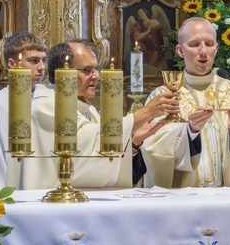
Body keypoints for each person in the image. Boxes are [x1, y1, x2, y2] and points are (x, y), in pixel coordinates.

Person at [16, 39, 177, 189]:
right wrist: (144, 113)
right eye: (87, 70)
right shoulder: (45, 105)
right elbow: (80, 149)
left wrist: (134, 142)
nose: (97, 76)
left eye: (96, 69)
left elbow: (100, 150)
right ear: (63, 72)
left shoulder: (87, 109)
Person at [142, 17, 230, 188]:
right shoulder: (163, 96)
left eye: (209, 44)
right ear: (180, 50)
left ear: (216, 48)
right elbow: (152, 149)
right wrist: (190, 132)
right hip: (183, 200)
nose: (203, 51)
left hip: (228, 198)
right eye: (195, 45)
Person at [0, 32, 47, 188]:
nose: (41, 67)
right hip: (12, 191)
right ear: (12, 64)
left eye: (43, 60)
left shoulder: (51, 98)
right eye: (34, 61)